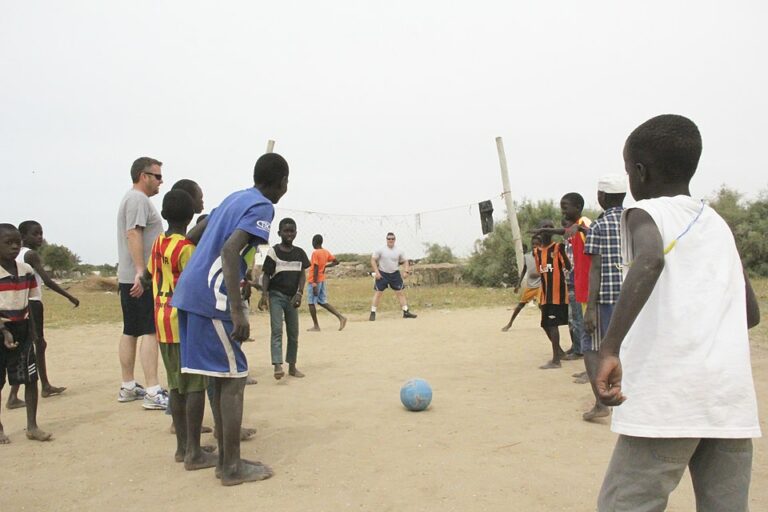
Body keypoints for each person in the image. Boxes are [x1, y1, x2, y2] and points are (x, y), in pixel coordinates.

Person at [595, 114, 761, 511]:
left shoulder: (643, 213)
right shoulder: (717, 222)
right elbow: (750, 312)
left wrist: (610, 347)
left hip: (669, 402)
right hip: (727, 402)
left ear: (639, 171)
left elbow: (650, 259)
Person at [172, 152, 289, 486]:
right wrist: (237, 309)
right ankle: (232, 467)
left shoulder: (234, 198)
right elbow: (228, 250)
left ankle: (224, 459)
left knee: (216, 376)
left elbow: (193, 236)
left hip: (189, 293)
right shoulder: (263, 206)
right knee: (234, 378)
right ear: (282, 182)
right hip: (212, 300)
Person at [145, 189, 215, 469]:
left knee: (175, 384)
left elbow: (151, 273)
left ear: (163, 215)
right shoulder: (187, 249)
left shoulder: (159, 243)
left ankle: (182, 447)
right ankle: (195, 453)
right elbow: (196, 283)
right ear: (192, 217)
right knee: (196, 385)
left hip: (161, 320)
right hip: (184, 323)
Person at [6, 220, 80, 409]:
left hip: (18, 303)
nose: (39, 237)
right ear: (23, 237)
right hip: (32, 303)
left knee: (31, 344)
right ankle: (40, 386)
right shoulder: (30, 255)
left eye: (41, 233)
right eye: (35, 234)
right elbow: (47, 280)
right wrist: (69, 296)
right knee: (35, 344)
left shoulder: (17, 255)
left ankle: (26, 390)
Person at [116, 157, 167, 409]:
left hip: (129, 276)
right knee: (149, 330)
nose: (161, 181)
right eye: (157, 176)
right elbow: (133, 232)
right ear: (143, 176)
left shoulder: (133, 199)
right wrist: (141, 271)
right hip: (140, 277)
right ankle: (152, 390)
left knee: (131, 329)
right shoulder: (137, 199)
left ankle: (128, 386)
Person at [0, 223, 51, 443]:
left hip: (22, 330)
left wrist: (33, 334)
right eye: (7, 243)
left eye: (16, 242)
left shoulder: (26, 271)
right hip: (2, 330)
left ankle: (32, 425)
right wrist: (3, 330)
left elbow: (29, 302)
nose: (13, 246)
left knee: (31, 378)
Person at [580, 175, 626, 421]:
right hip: (633, 298)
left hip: (606, 300)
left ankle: (601, 404)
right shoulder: (635, 221)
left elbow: (595, 269)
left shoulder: (598, 226)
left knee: (592, 348)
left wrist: (590, 308)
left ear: (602, 197)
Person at [260, 218, 310, 379]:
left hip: (292, 297)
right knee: (277, 330)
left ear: (296, 232)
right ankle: (277, 365)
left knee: (293, 332)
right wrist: (264, 295)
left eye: (292, 231)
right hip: (276, 296)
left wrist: (300, 293)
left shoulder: (300, 253)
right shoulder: (273, 252)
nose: (289, 234)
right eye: (286, 231)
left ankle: (292, 366)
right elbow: (266, 275)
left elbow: (302, 275)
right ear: (279, 233)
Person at [532, 220, 571, 369]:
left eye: (550, 227)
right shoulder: (537, 252)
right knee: (545, 324)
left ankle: (556, 360)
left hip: (557, 294)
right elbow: (540, 272)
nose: (548, 230)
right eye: (545, 228)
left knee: (553, 324)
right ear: (540, 231)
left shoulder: (557, 247)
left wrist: (562, 254)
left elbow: (568, 266)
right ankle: (559, 352)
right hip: (545, 295)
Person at [369, 232, 417, 321]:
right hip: (382, 273)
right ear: (386, 239)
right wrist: (377, 272)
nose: (390, 240)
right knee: (378, 293)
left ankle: (406, 312)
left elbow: (405, 261)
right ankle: (373, 313)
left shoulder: (399, 250)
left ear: (395, 240)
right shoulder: (380, 249)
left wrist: (406, 271)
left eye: (392, 239)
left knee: (400, 293)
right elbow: (373, 260)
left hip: (395, 274)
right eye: (389, 239)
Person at [306, 234, 347, 332]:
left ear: (314, 242)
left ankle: (316, 326)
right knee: (322, 301)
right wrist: (325, 267)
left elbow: (315, 267)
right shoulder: (325, 252)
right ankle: (341, 317)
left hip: (314, 280)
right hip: (322, 279)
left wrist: (314, 283)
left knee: (311, 303)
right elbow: (336, 262)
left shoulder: (315, 253)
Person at [501, 236, 542, 332]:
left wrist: (540, 273)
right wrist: (518, 284)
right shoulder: (527, 257)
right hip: (531, 285)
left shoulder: (544, 256)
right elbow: (524, 270)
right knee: (520, 305)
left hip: (541, 285)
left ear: (541, 245)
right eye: (533, 244)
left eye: (537, 244)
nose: (535, 246)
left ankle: (546, 323)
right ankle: (510, 323)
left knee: (541, 305)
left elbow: (549, 268)